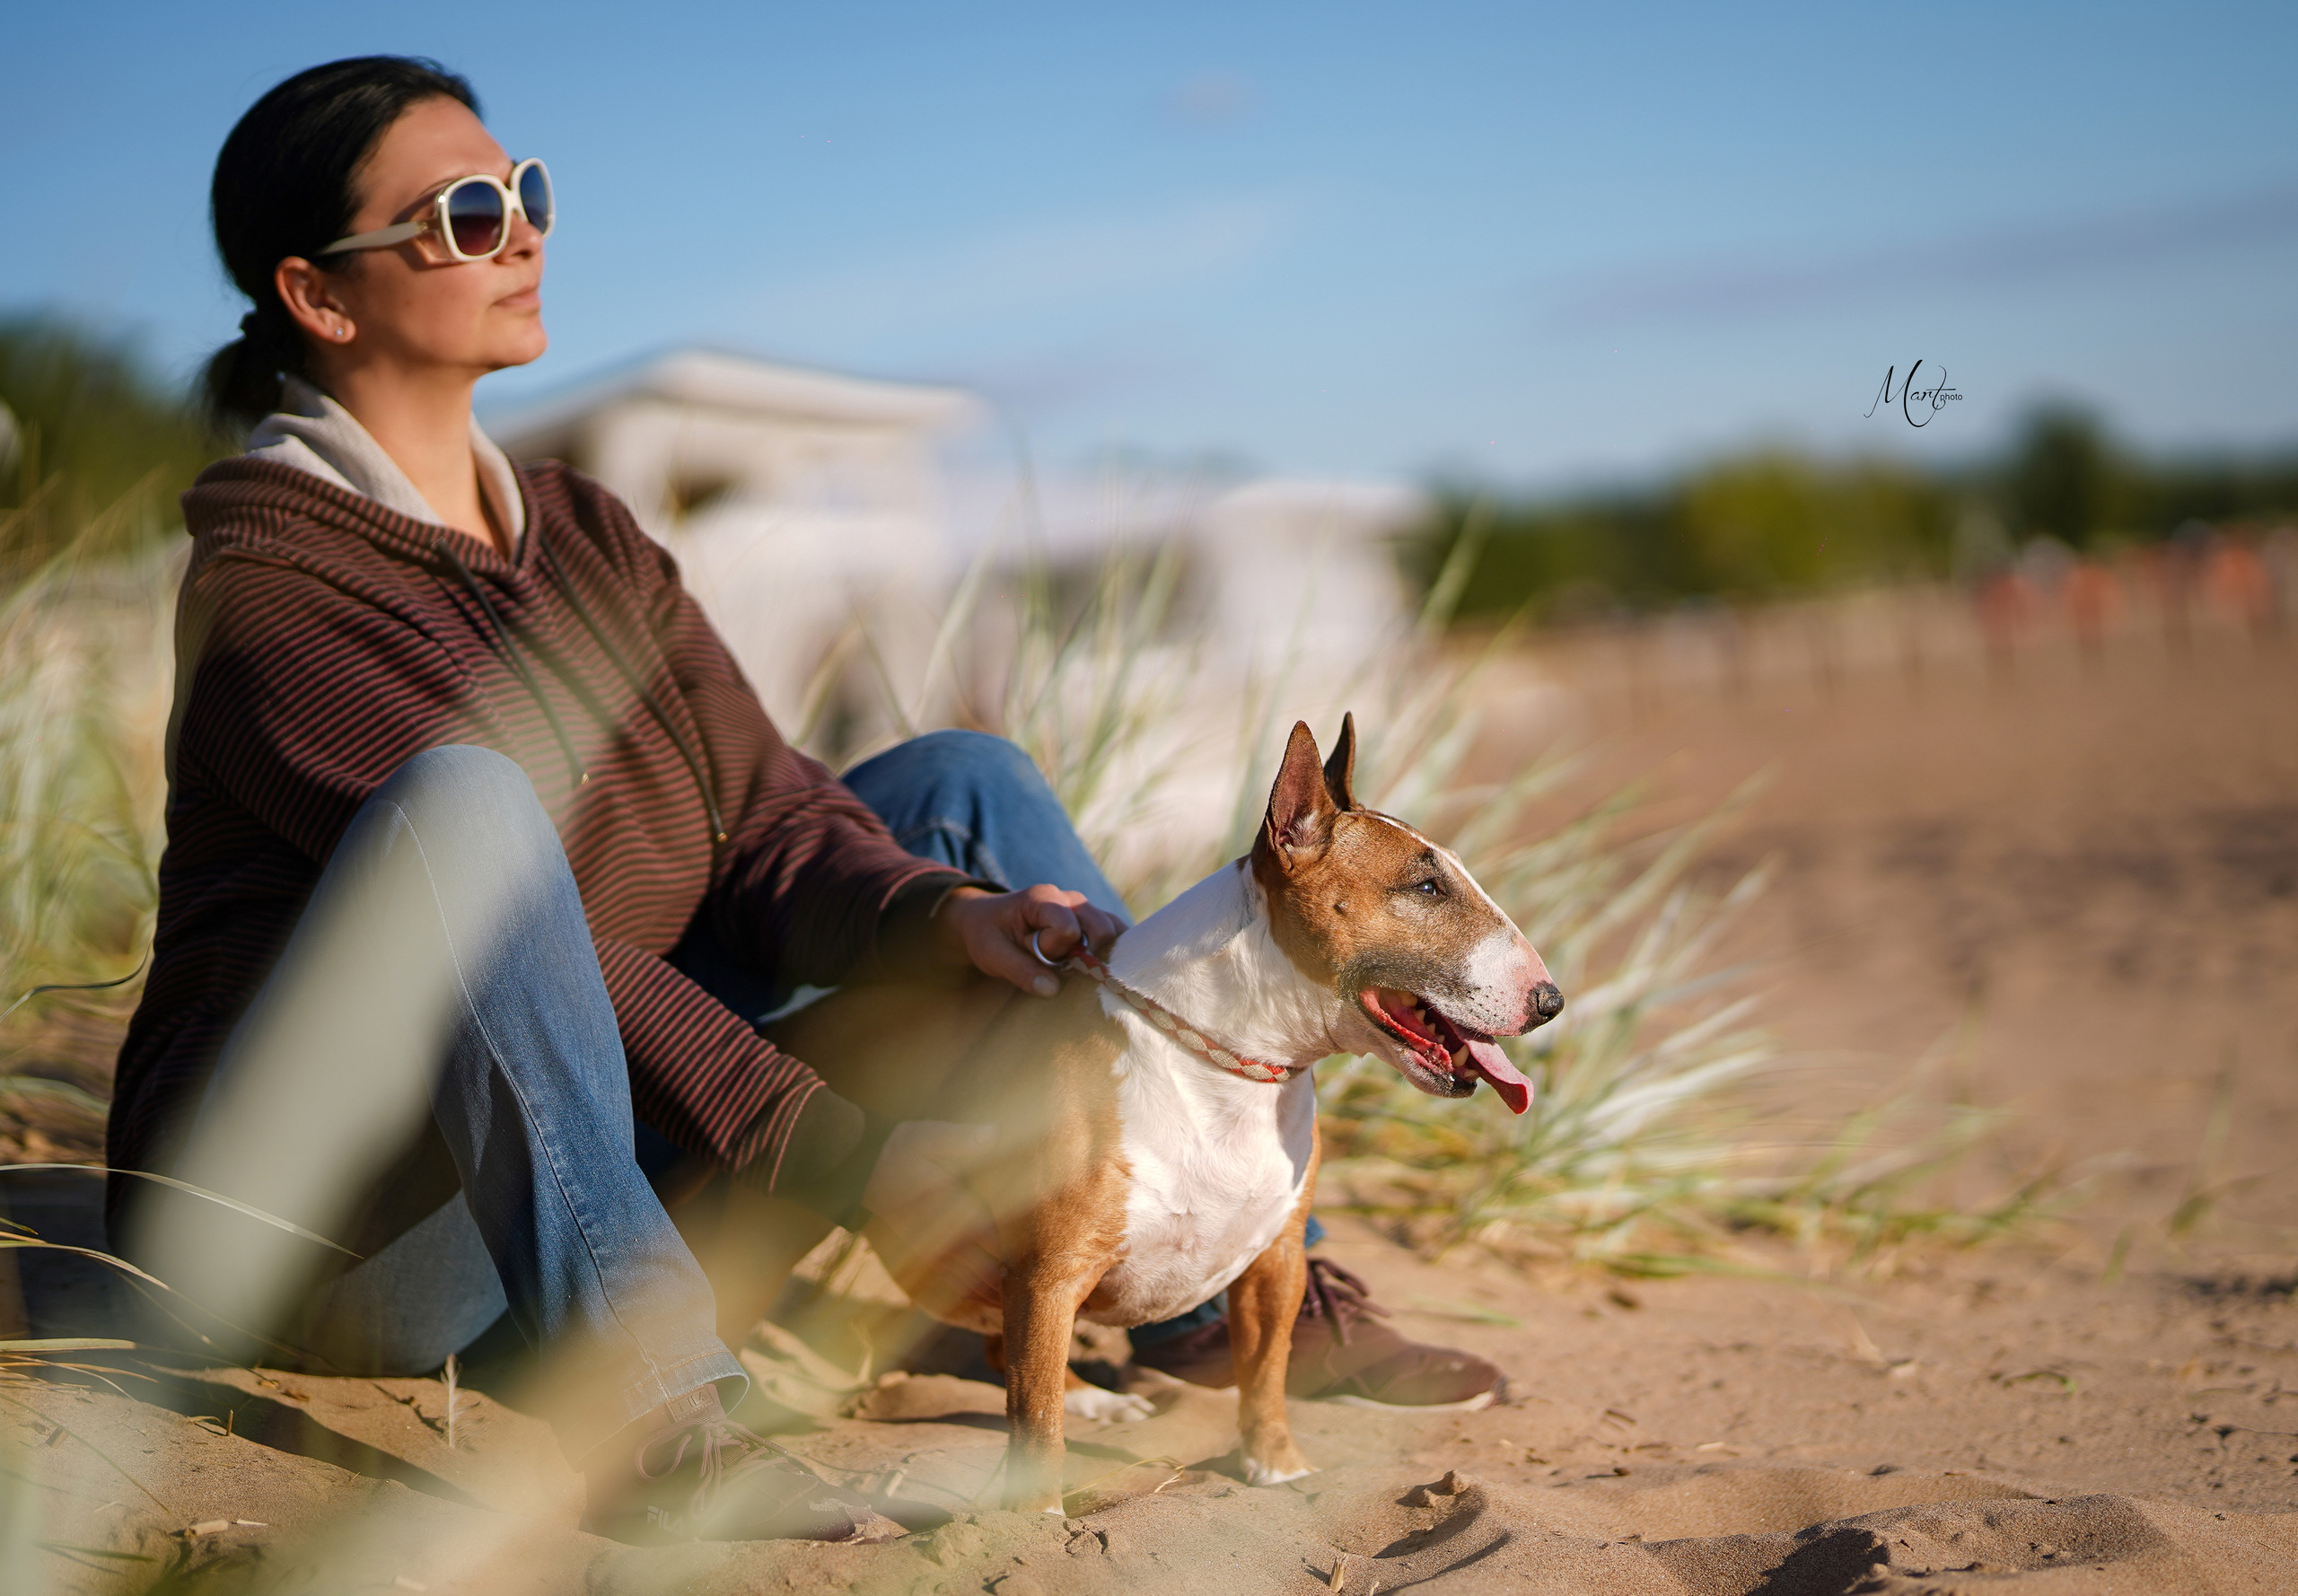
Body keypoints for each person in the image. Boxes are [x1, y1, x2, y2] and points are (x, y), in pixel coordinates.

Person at [109, 56, 1496, 1548]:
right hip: (363, 1227)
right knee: (467, 809)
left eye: (527, 193)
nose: (520, 232)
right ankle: (660, 1422)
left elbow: (770, 812)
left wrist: (956, 917)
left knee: (968, 785)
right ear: (321, 296)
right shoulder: (275, 591)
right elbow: (517, 915)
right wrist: (841, 1153)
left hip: (611, 1128)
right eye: (460, 212)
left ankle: (1200, 1289)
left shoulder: (582, 531)